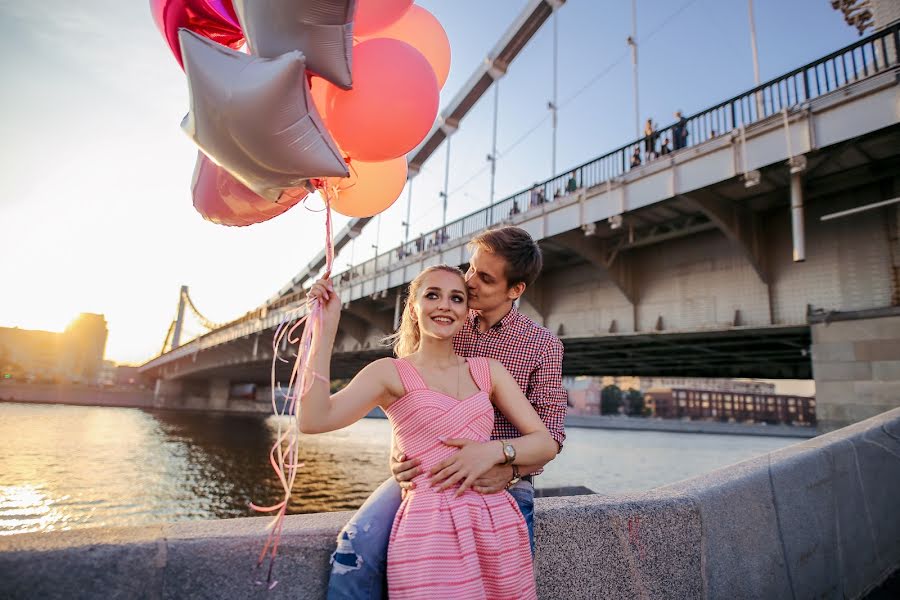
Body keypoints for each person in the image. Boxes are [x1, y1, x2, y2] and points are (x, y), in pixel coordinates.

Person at [326, 226, 567, 599]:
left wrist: (507, 465)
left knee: (505, 581)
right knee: (355, 552)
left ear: (515, 290)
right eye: (470, 269)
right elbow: (409, 395)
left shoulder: (542, 345)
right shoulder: (448, 313)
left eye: (484, 278)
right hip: (430, 473)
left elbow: (551, 435)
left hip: (503, 479)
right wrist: (397, 452)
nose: (468, 284)